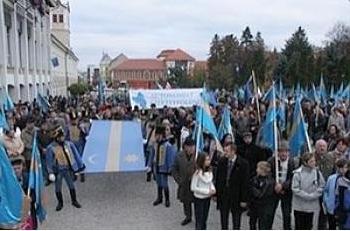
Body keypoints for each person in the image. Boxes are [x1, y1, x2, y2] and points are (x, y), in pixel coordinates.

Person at [46, 125, 85, 211]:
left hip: (67, 169)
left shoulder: (69, 144)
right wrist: (50, 172)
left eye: (63, 136)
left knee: (71, 185)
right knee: (58, 187)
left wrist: (80, 166)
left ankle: (74, 200)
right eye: (60, 137)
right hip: (58, 170)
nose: (63, 138)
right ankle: (60, 203)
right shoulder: (51, 148)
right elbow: (48, 161)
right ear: (56, 137)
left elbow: (76, 155)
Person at [215, 141, 249, 230]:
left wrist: (244, 199)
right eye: (224, 151)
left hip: (236, 196)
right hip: (224, 195)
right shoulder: (222, 161)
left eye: (227, 151)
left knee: (236, 220)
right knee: (223, 218)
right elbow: (218, 179)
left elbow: (245, 183)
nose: (225, 153)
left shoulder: (243, 164)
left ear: (233, 151)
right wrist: (216, 194)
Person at [292, 152, 325, 230]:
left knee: (310, 226)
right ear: (305, 162)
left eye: (314, 161)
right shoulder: (297, 173)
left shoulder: (317, 172)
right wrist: (307, 196)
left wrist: (314, 195)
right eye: (311, 161)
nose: (314, 163)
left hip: (312, 206)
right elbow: (295, 188)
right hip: (299, 206)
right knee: (299, 226)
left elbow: (322, 185)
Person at [268, 140, 295, 230]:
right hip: (274, 191)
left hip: (286, 192)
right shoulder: (272, 161)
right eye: (282, 151)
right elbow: (269, 176)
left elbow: (293, 177)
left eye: (286, 151)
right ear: (278, 152)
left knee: (287, 214)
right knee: (270, 213)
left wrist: (283, 186)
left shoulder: (293, 162)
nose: (284, 153)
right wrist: (275, 185)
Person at [147, 125, 176, 208]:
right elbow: (151, 155)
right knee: (158, 183)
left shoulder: (167, 145)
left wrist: (170, 168)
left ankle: (167, 199)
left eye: (157, 135)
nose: (156, 137)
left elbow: (170, 157)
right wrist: (149, 165)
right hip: (156, 165)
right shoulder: (154, 144)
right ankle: (159, 198)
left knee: (164, 183)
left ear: (161, 135)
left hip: (164, 167)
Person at [172, 137, 196, 226]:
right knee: (186, 202)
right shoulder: (179, 156)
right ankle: (188, 216)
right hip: (184, 183)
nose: (191, 148)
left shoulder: (199, 155)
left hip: (195, 184)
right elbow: (174, 169)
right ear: (185, 147)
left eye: (192, 146)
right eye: (189, 146)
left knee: (197, 201)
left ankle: (199, 218)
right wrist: (178, 179)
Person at [190, 153, 216, 230]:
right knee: (199, 220)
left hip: (207, 198)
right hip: (199, 199)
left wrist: (213, 189)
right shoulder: (197, 173)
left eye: (209, 159)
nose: (209, 161)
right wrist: (206, 191)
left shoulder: (210, 171)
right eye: (207, 160)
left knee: (204, 219)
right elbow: (193, 187)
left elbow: (210, 182)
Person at [248, 161, 276, 230]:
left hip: (264, 206)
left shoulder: (269, 181)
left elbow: (261, 194)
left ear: (262, 169)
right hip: (254, 205)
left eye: (258, 168)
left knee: (262, 225)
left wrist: (252, 188)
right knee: (252, 223)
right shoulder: (255, 178)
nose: (256, 170)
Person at [323, 158, 349, 230]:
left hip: (343, 209)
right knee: (332, 226)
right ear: (338, 168)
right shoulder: (331, 178)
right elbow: (326, 191)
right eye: (342, 167)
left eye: (346, 167)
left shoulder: (347, 180)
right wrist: (327, 202)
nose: (344, 170)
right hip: (331, 208)